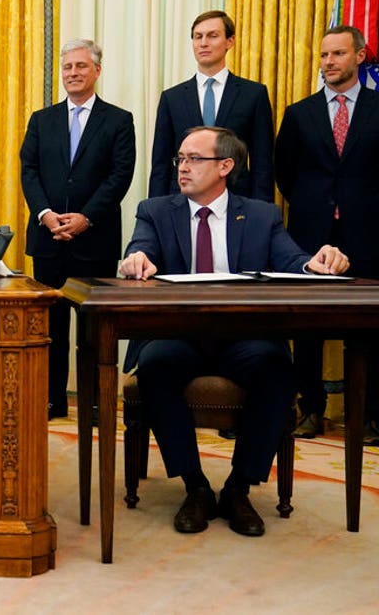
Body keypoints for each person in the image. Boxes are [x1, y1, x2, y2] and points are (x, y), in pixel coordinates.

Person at [120, 126, 349, 537]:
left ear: (225, 166)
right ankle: (196, 487)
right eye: (180, 159)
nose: (183, 168)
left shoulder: (260, 214)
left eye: (194, 159)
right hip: (180, 335)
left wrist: (319, 262)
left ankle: (238, 489)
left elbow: (293, 260)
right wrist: (136, 259)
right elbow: (140, 247)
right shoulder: (155, 210)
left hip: (244, 336)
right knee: (154, 366)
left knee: (277, 368)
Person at [20, 39, 135, 419]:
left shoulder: (119, 120)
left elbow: (120, 176)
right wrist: (44, 213)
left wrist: (87, 217)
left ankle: (94, 399)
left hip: (95, 240)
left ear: (97, 71)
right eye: (68, 67)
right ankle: (52, 399)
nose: (73, 73)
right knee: (51, 328)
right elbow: (29, 171)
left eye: (81, 66)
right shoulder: (42, 119)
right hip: (48, 238)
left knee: (92, 332)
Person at [275, 25, 379, 444]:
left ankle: (369, 416)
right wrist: (312, 206)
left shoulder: (377, 107)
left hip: (369, 234)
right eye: (323, 56)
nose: (329, 62)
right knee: (308, 327)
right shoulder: (299, 113)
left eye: (337, 54)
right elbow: (285, 172)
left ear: (359, 56)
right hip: (310, 235)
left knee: (370, 329)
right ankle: (311, 409)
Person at [149, 11, 274, 201]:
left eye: (212, 36)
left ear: (229, 41)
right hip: (182, 200)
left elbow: (262, 163)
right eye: (198, 37)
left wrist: (262, 213)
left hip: (237, 200)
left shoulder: (253, 95)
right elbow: (161, 164)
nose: (203, 43)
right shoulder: (171, 98)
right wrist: (154, 212)